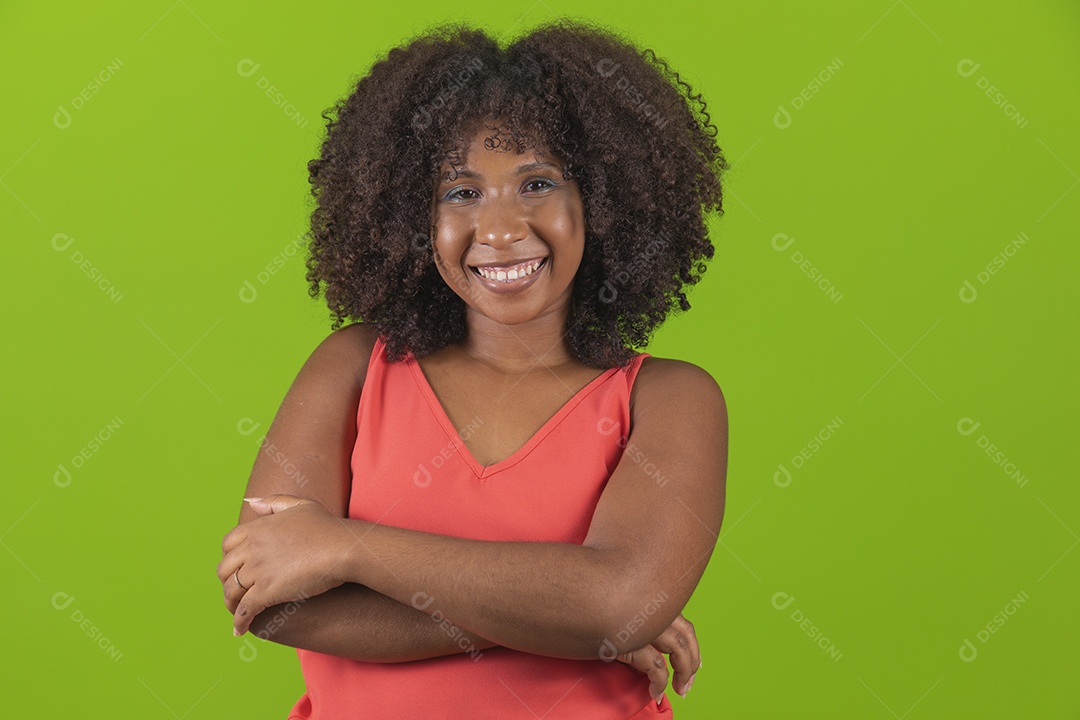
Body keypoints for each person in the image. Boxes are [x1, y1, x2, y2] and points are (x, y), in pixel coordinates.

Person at [218, 17, 729, 719]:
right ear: (409, 216)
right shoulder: (354, 368)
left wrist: (347, 548)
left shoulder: (670, 399)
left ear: (604, 201)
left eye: (537, 183)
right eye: (461, 192)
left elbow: (619, 605)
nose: (498, 229)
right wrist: (574, 629)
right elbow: (268, 599)